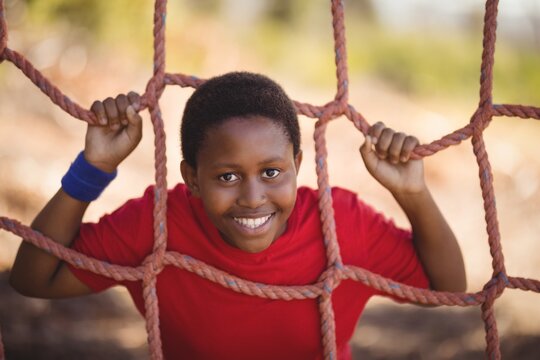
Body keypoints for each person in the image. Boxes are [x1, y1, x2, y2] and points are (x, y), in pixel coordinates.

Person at [9, 72, 466, 359]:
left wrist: (414, 194)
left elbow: (447, 289)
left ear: (298, 166)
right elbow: (33, 279)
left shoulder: (338, 223)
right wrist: (94, 169)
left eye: (271, 172)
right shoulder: (158, 225)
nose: (252, 197)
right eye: (227, 177)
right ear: (191, 177)